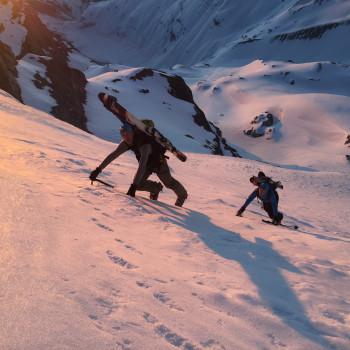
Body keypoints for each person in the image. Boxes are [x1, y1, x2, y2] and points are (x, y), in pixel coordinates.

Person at [89, 124, 188, 207]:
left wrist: (133, 185)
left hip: (159, 164)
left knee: (169, 183)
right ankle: (155, 188)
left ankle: (182, 196)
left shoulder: (144, 145)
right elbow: (113, 155)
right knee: (139, 184)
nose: (125, 138)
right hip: (147, 166)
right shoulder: (126, 143)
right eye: (123, 136)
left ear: (132, 132)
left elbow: (142, 165)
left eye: (127, 134)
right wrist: (98, 169)